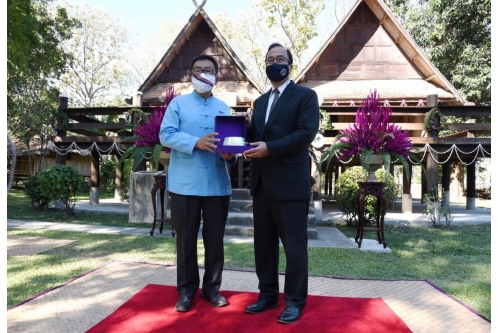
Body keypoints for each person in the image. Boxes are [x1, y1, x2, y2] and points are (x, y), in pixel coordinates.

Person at [242, 43, 319, 324]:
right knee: (263, 246)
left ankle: (295, 301)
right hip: (262, 183)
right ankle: (268, 295)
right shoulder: (260, 102)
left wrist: (270, 148)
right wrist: (242, 128)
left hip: (290, 184)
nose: (275, 63)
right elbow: (256, 135)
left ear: (290, 64)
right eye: (269, 59)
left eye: (280, 59)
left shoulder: (306, 96)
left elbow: (305, 134)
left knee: (294, 247)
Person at [159, 54, 237, 312]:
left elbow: (231, 147)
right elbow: (166, 135)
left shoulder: (224, 108)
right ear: (191, 75)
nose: (203, 74)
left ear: (217, 76)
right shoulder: (178, 104)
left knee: (215, 241)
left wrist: (230, 154)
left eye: (208, 70)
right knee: (186, 240)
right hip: (184, 185)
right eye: (198, 70)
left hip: (217, 184)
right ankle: (186, 291)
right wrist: (195, 142)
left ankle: (212, 289)